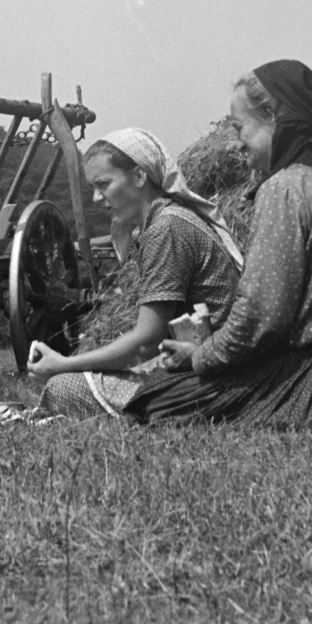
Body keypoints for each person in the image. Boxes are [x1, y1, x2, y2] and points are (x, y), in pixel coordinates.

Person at [124, 60, 312, 428]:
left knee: (159, 396)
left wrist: (200, 355)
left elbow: (261, 319)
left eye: (240, 128)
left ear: (272, 117)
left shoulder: (284, 187)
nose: (236, 145)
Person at [28, 128, 243, 417]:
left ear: (140, 177)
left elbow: (146, 343)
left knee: (63, 387)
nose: (95, 198)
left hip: (214, 375)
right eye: (93, 187)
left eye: (103, 184)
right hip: (205, 363)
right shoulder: (170, 219)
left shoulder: (165, 229)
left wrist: (63, 364)